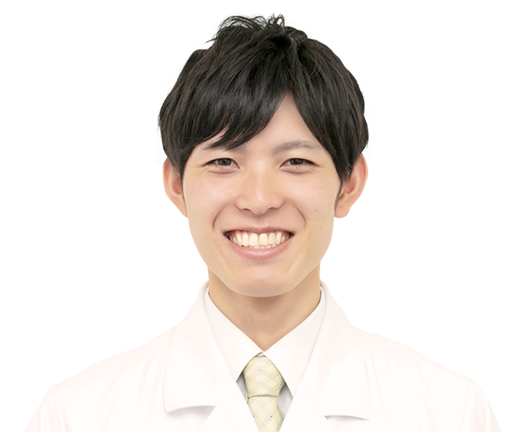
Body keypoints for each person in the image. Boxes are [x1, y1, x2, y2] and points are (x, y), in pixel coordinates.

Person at [27, 11, 493, 432]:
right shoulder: (81, 416)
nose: (258, 199)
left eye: (295, 162)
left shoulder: (447, 414)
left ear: (349, 184)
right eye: (224, 162)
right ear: (175, 184)